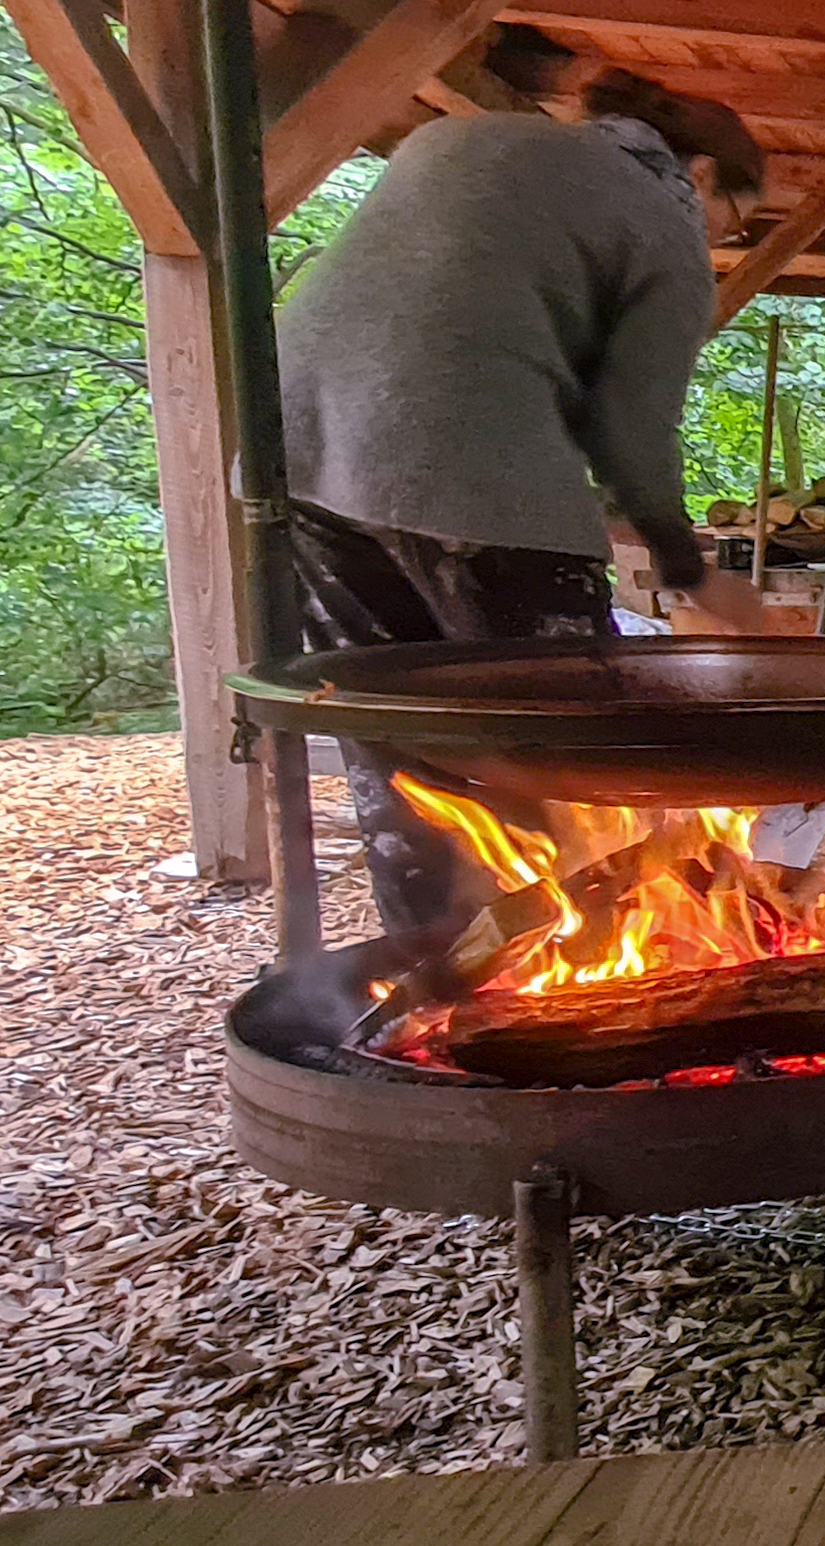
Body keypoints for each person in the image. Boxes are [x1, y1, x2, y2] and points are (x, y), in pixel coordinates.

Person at [278, 69, 770, 934]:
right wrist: (692, 573)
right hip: (473, 473)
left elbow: (457, 327)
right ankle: (588, 964)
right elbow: (632, 427)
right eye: (734, 219)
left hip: (301, 461)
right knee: (569, 750)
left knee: (397, 744)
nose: (722, 239)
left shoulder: (456, 138)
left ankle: (438, 962)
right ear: (700, 174)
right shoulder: (663, 221)